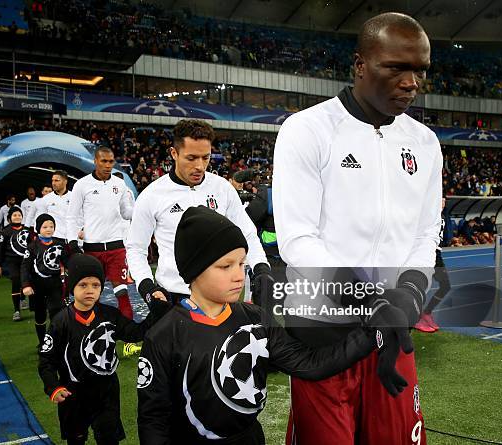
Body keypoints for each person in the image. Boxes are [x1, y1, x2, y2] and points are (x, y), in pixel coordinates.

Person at [273, 13, 441, 444]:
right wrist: (373, 300)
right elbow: (297, 239)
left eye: (419, 70)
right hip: (322, 331)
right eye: (396, 67)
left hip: (392, 328)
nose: (411, 82)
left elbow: (425, 234)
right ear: (360, 64)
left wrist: (406, 294)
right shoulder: (307, 130)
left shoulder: (425, 143)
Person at [137, 206, 377, 444]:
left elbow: (309, 364)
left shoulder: (254, 318)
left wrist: (371, 332)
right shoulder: (164, 335)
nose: (239, 275)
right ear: (195, 270)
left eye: (242, 264)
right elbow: (153, 419)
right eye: (225, 266)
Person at [126, 119, 273, 307]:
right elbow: (136, 248)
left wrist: (261, 268)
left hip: (218, 295)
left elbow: (248, 234)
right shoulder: (152, 195)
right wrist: (147, 287)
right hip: (174, 296)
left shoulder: (222, 188)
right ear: (174, 153)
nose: (200, 166)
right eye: (191, 158)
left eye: (206, 157)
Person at [38, 254, 169, 445]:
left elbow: (135, 333)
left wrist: (157, 310)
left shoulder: (110, 315)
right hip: (73, 394)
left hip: (106, 392)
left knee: (109, 438)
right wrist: (53, 386)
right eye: (83, 285)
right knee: (76, 438)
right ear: (72, 286)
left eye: (96, 285)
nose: (90, 290)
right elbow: (46, 360)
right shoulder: (61, 321)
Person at [67, 147, 135, 320]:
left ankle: (128, 339)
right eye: (104, 161)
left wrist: (143, 211)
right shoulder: (82, 185)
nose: (108, 165)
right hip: (92, 249)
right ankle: (91, 331)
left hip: (117, 248)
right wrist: (72, 242)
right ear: (95, 161)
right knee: (90, 294)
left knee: (122, 292)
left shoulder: (119, 184)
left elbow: (126, 212)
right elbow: (72, 216)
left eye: (111, 161)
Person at [21, 214, 68, 348]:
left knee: (57, 313)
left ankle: (55, 340)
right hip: (37, 285)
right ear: (38, 228)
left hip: (55, 284)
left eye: (51, 226)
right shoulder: (32, 246)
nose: (49, 229)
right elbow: (25, 267)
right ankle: (42, 342)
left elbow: (67, 262)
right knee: (40, 314)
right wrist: (26, 285)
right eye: (45, 227)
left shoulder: (59, 245)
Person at [415, 198, 451, 333]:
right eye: (440, 199)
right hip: (425, 252)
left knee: (445, 285)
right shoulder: (427, 215)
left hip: (437, 253)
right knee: (420, 285)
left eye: (444, 200)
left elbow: (446, 236)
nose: (443, 202)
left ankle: (427, 312)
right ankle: (415, 318)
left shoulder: (443, 215)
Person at [0, 206, 31, 321]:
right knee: (16, 280)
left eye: (19, 215)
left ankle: (24, 299)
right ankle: (17, 310)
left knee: (26, 280)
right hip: (12, 262)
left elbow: (32, 247)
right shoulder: (5, 231)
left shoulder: (27, 230)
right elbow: (0, 250)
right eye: (15, 215)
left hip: (25, 262)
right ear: (9, 218)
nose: (17, 217)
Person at [34, 171, 73, 242]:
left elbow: (81, 216)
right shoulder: (46, 199)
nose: (53, 183)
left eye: (57, 180)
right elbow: (40, 218)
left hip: (72, 237)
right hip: (53, 237)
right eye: (52, 180)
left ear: (65, 182)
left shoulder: (74, 197)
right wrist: (37, 234)